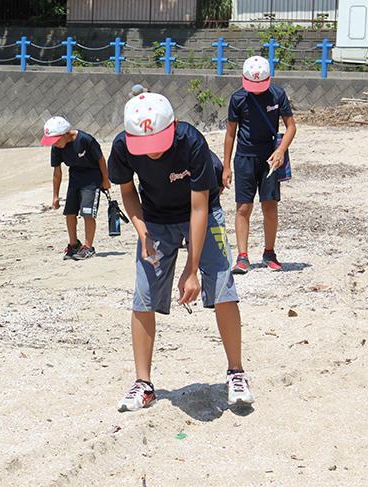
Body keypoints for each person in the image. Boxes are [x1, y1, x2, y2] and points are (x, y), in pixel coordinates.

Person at [108, 92, 253, 411]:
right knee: (143, 296)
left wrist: (191, 268)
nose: (153, 151)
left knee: (222, 287)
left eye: (158, 141)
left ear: (172, 126)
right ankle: (143, 384)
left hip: (201, 211)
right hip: (155, 219)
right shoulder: (123, 146)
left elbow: (200, 207)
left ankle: (236, 373)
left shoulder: (190, 141)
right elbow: (128, 192)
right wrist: (144, 234)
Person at [223, 55, 296, 274]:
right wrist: (226, 166)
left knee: (270, 206)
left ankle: (269, 253)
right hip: (244, 158)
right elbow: (230, 133)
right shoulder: (238, 99)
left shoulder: (278, 95)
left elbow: (291, 126)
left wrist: (281, 150)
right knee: (243, 207)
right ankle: (242, 256)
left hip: (270, 159)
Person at [40, 116, 110, 260]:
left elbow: (100, 159)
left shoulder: (85, 139)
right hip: (75, 179)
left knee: (87, 212)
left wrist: (105, 179)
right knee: (70, 212)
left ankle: (88, 247)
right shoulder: (57, 147)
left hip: (92, 178)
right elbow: (57, 172)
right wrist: (55, 196)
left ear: (67, 133)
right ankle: (74, 244)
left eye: (57, 140)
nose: (55, 144)